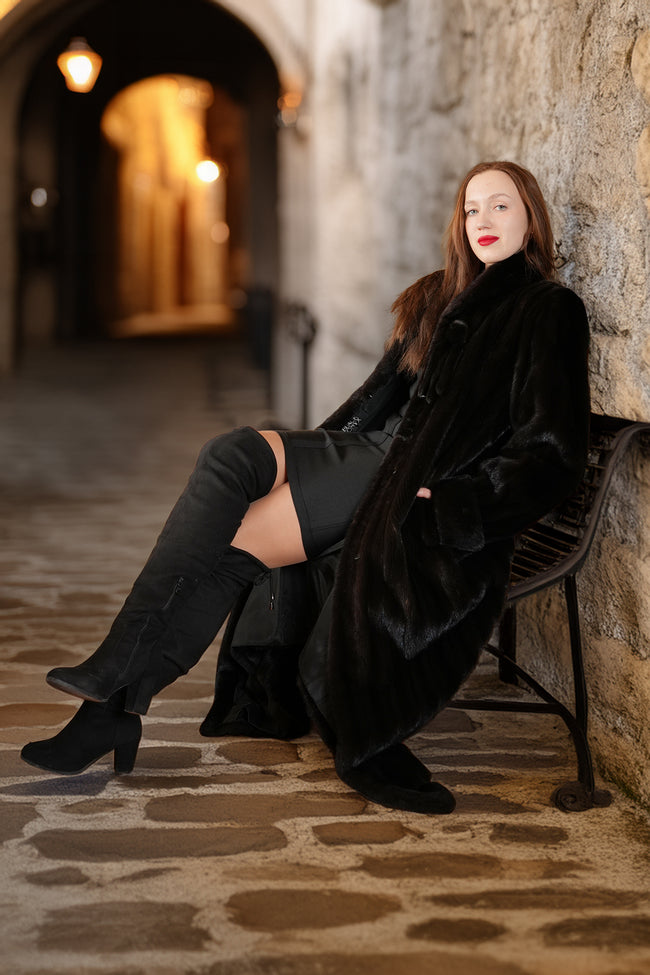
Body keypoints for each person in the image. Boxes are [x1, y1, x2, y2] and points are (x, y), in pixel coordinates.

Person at [21, 161, 590, 814]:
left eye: (501, 206)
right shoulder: (440, 296)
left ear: (531, 218)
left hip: (401, 482)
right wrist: (308, 452)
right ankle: (111, 697)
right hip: (362, 454)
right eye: (472, 209)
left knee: (238, 539)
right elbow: (374, 402)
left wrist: (461, 503)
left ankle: (108, 703)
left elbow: (552, 452)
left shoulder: (546, 310)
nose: (483, 221)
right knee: (230, 460)